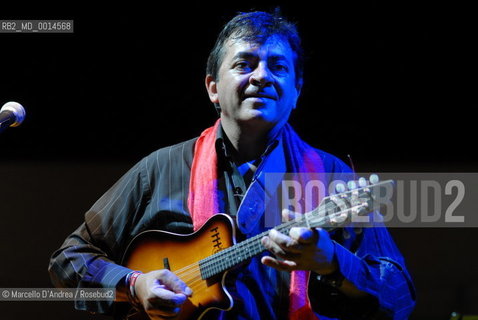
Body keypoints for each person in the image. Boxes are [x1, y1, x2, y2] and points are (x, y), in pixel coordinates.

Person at [49, 10, 416, 320]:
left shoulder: (333, 176)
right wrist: (134, 284)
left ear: (297, 90)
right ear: (212, 88)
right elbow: (69, 258)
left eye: (278, 66)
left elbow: (400, 297)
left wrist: (332, 261)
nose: (261, 76)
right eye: (244, 63)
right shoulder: (160, 169)